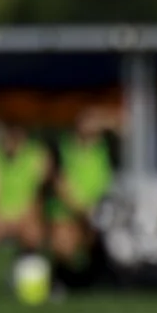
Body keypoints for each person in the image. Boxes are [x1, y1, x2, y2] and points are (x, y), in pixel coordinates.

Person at [47, 108, 120, 277]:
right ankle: (63, 276)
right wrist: (83, 209)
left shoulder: (107, 146)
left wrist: (102, 119)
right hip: (69, 210)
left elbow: (126, 123)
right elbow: (60, 185)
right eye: (85, 121)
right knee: (64, 241)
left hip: (102, 209)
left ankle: (102, 273)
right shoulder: (62, 147)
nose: (89, 125)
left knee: (114, 235)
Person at [0, 123, 55, 255]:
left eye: (15, 133)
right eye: (8, 132)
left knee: (33, 232)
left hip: (26, 216)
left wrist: (26, 216)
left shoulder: (37, 156)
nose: (11, 138)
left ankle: (29, 262)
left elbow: (41, 194)